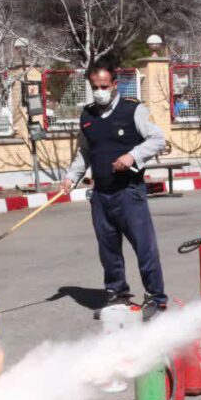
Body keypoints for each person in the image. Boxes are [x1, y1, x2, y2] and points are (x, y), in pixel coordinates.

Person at [62, 60, 169, 323]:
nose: (99, 91)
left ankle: (156, 298)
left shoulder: (133, 110)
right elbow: (84, 152)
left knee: (144, 247)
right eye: (94, 86)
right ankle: (117, 294)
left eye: (104, 86)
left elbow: (158, 140)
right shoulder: (87, 116)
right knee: (108, 249)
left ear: (114, 85)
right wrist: (70, 177)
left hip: (129, 193)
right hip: (101, 195)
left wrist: (133, 156)